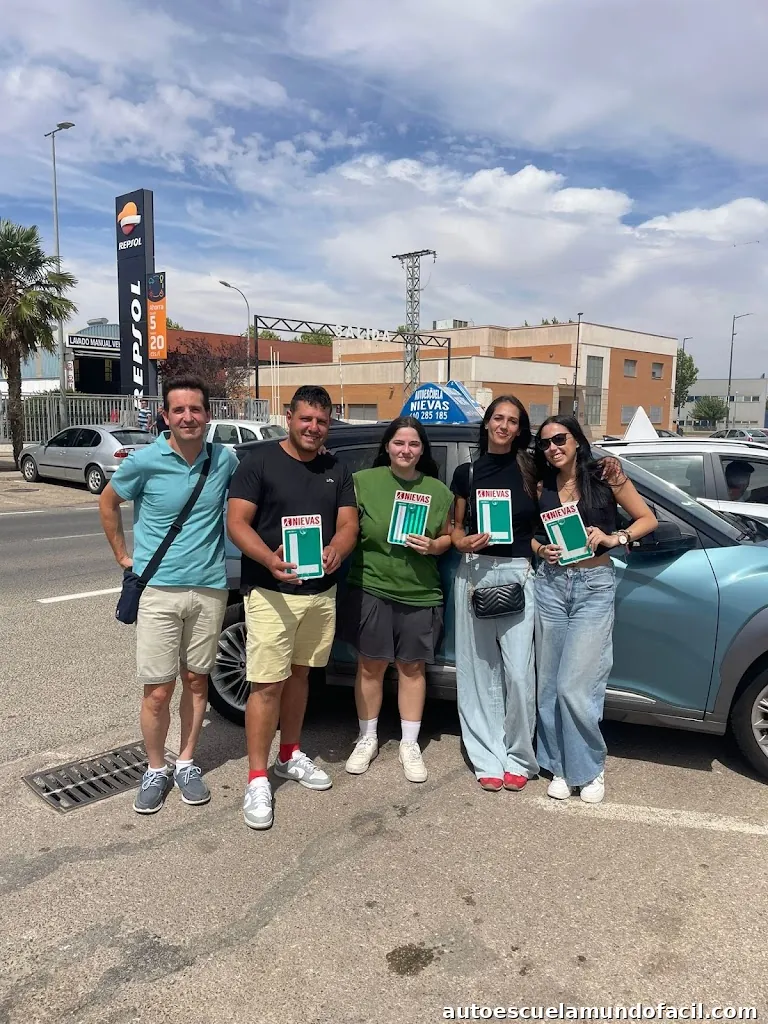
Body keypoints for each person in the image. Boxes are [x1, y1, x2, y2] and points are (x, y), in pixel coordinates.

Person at [99, 375, 239, 814]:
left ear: (208, 414)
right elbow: (107, 502)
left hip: (211, 587)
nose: (188, 417)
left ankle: (186, 762)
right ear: (166, 416)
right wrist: (124, 558)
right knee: (158, 691)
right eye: (179, 410)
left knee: (197, 681)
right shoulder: (145, 460)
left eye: (195, 409)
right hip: (158, 590)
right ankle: (155, 768)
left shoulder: (226, 459)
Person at [227, 385, 358, 831]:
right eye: (306, 419)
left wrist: (338, 549)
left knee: (301, 675)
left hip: (319, 593)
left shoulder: (336, 468)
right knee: (267, 684)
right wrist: (269, 559)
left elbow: (347, 524)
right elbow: (237, 523)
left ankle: (289, 755)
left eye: (322, 422)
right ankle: (258, 777)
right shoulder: (258, 463)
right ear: (289, 416)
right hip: (270, 591)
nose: (314, 428)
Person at [532, 416, 657, 804]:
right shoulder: (541, 485)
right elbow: (531, 537)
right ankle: (556, 764)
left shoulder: (606, 475)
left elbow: (647, 519)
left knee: (577, 685)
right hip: (551, 585)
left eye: (559, 439)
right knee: (549, 685)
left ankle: (588, 767)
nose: (553, 447)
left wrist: (613, 537)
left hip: (593, 586)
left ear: (576, 440)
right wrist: (542, 550)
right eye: (545, 443)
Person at [340, 417, 454, 783]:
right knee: (370, 666)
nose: (406, 450)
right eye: (399, 443)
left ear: (423, 450)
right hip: (372, 586)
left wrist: (435, 545)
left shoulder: (439, 491)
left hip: (420, 592)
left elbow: (449, 536)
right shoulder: (363, 483)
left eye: (414, 444)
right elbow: (343, 526)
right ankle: (367, 737)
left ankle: (409, 743)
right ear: (387, 446)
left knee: (412, 668)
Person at [450, 396, 540, 793]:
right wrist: (463, 541)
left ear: (520, 429)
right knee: (477, 672)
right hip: (475, 573)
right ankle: (487, 755)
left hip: (519, 574)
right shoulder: (466, 472)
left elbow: (570, 482)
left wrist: (610, 467)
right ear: (486, 424)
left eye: (512, 421)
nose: (504, 426)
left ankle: (519, 757)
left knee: (519, 675)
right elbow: (454, 528)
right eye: (497, 418)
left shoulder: (531, 468)